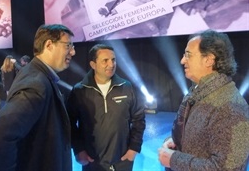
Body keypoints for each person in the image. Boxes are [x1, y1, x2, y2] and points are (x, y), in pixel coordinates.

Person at [0, 24, 76, 171]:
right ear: (49, 45)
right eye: (68, 45)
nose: (73, 51)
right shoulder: (36, 84)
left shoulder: (39, 76)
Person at [158, 30, 249, 170]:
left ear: (209, 60)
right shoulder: (198, 91)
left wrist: (173, 159)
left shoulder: (231, 108)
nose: (182, 60)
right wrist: (177, 141)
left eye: (188, 55)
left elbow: (227, 169)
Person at [67, 44, 145, 171]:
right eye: (105, 60)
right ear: (93, 64)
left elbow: (139, 119)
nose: (111, 64)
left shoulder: (127, 87)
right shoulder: (79, 90)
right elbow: (69, 123)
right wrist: (78, 150)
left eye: (113, 60)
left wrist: (134, 148)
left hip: (122, 160)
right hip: (92, 162)